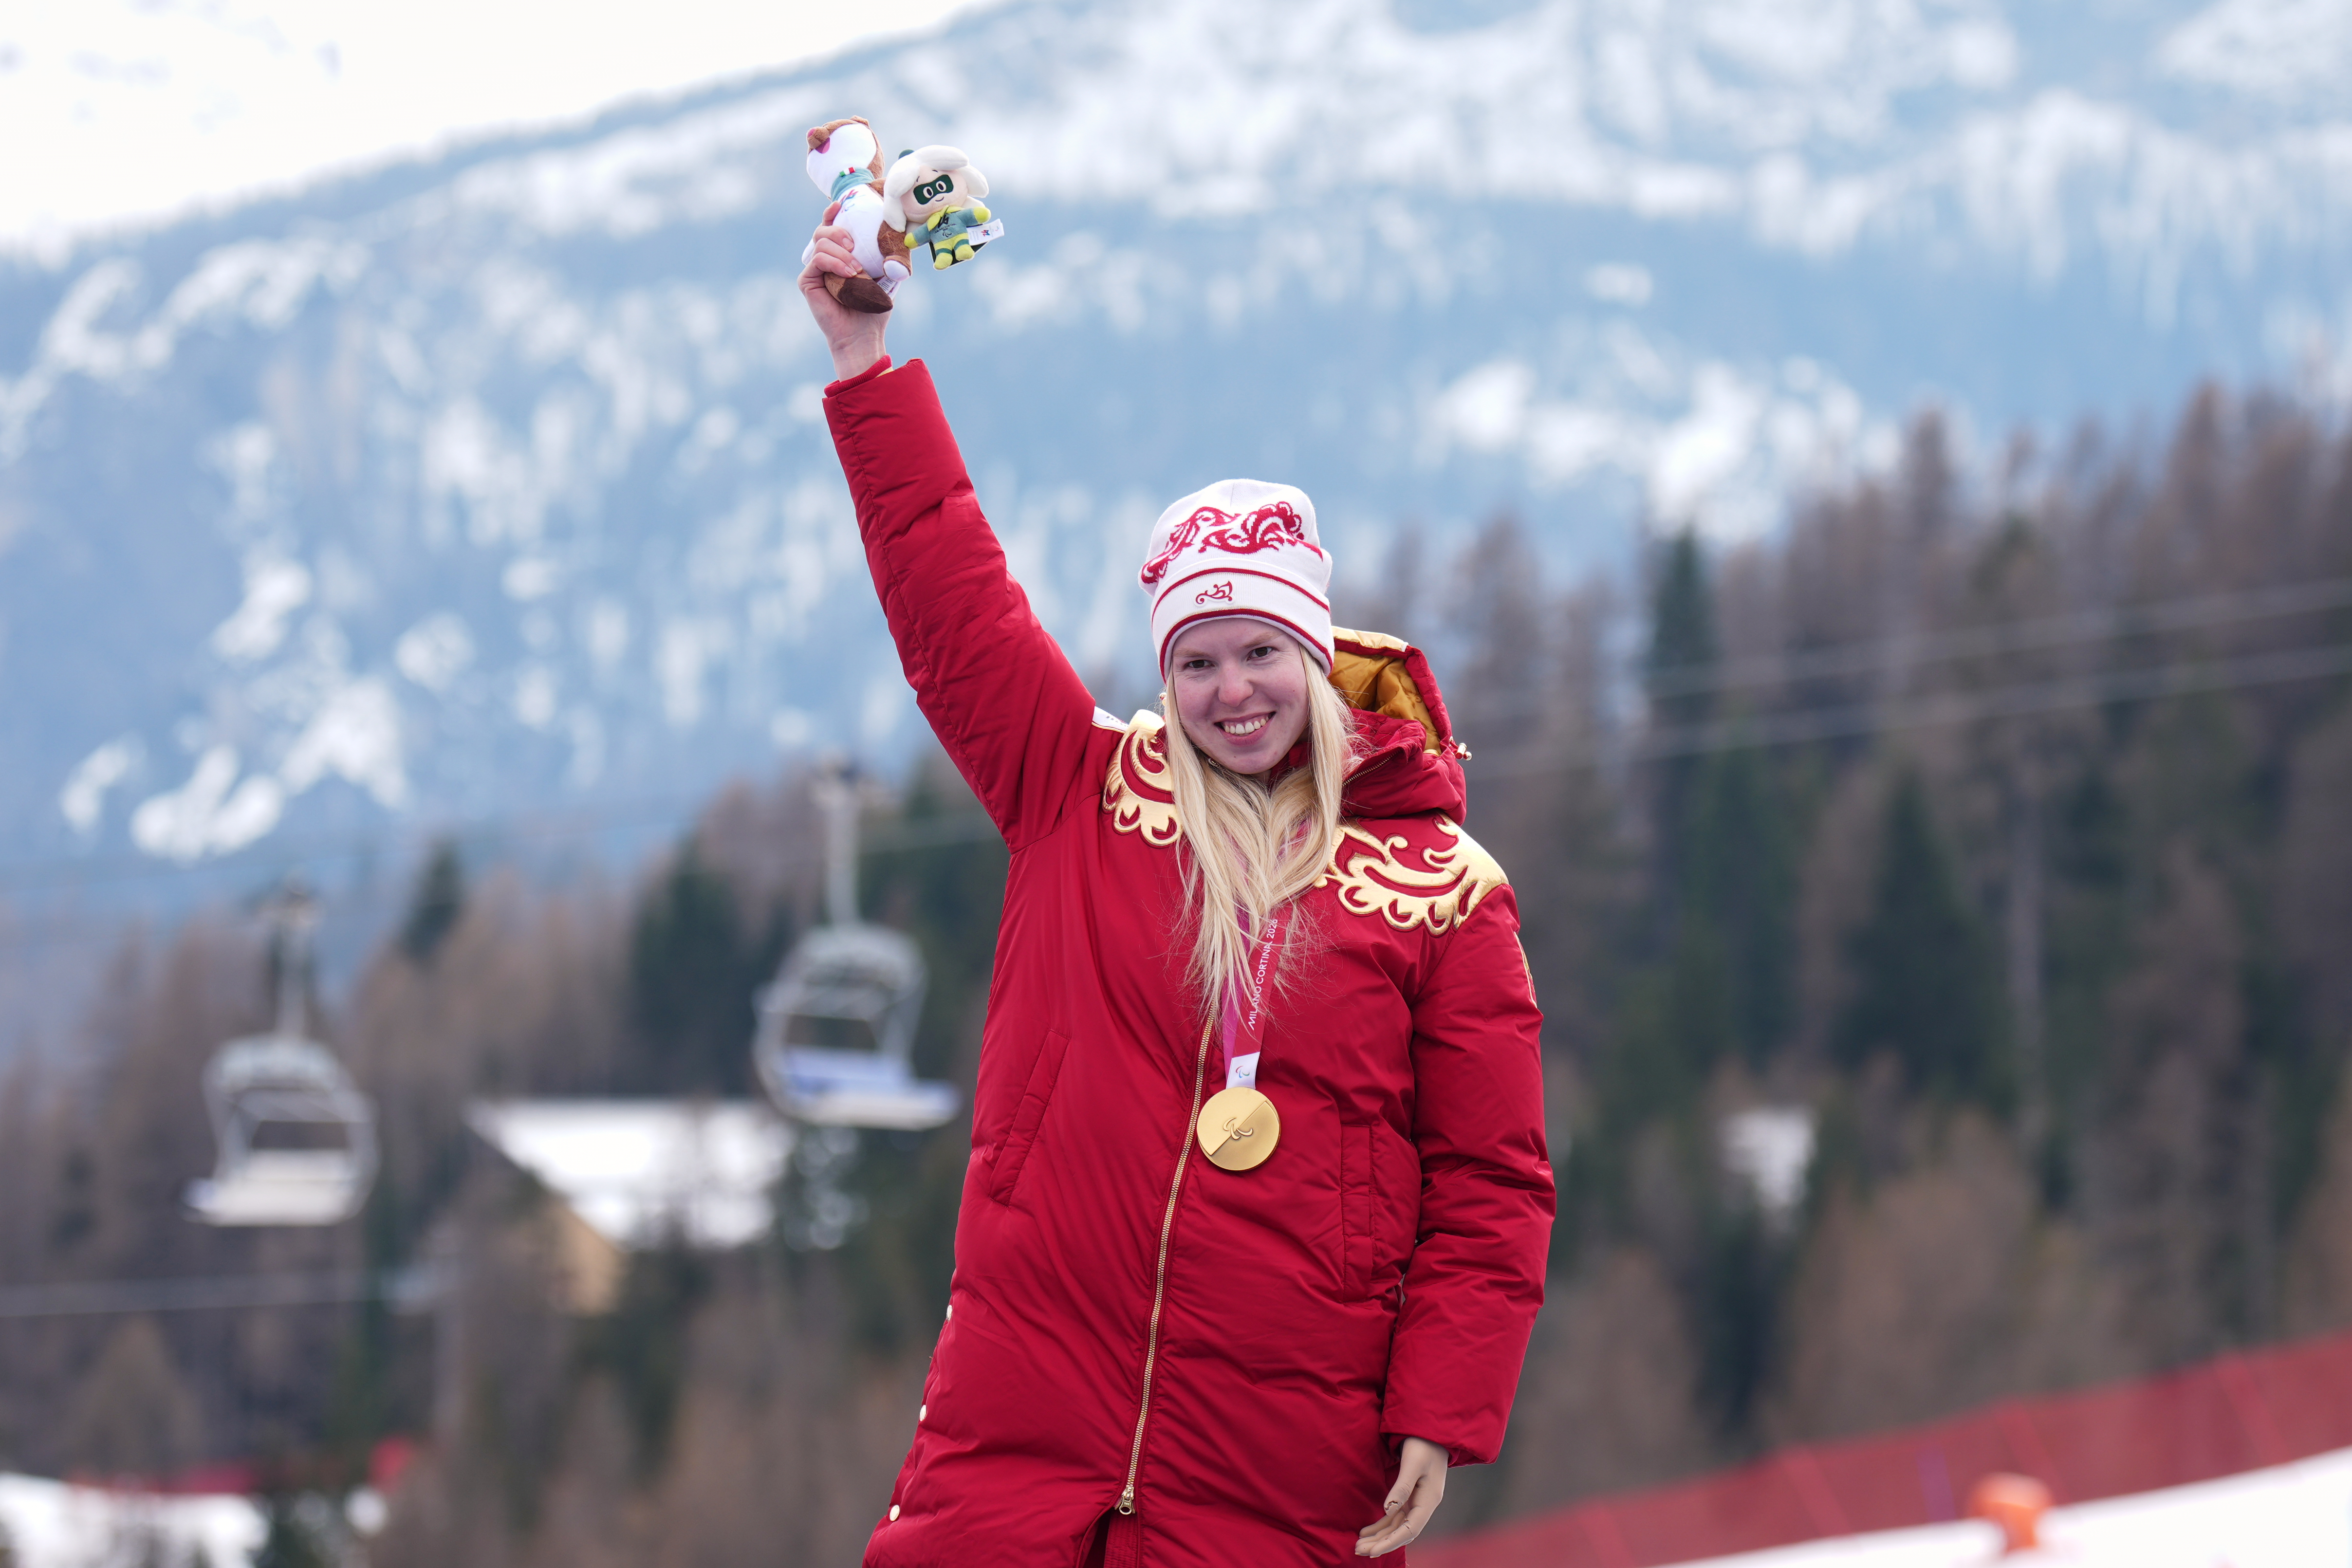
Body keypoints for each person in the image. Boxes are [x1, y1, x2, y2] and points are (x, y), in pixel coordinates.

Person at [802, 214, 1553, 1568]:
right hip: (1025, 1417)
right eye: (1197, 661)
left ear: (1321, 657)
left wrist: (1443, 1410)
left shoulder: (1442, 891)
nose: (1233, 691)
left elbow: (1491, 1181)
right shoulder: (1075, 792)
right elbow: (949, 592)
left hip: (1281, 1458)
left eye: (1263, 649)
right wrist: (867, 363)